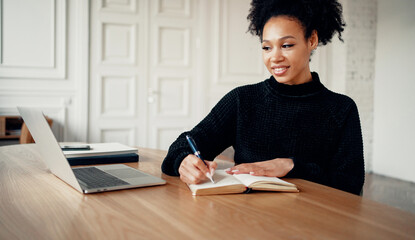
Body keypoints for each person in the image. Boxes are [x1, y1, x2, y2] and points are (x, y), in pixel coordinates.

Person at [161, 0, 365, 195]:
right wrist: (183, 161)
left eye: (286, 45)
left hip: (313, 222)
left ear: (311, 40)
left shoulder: (341, 108)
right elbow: (183, 146)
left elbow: (350, 185)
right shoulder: (243, 100)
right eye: (267, 47)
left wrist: (291, 165)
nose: (274, 57)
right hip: (247, 219)